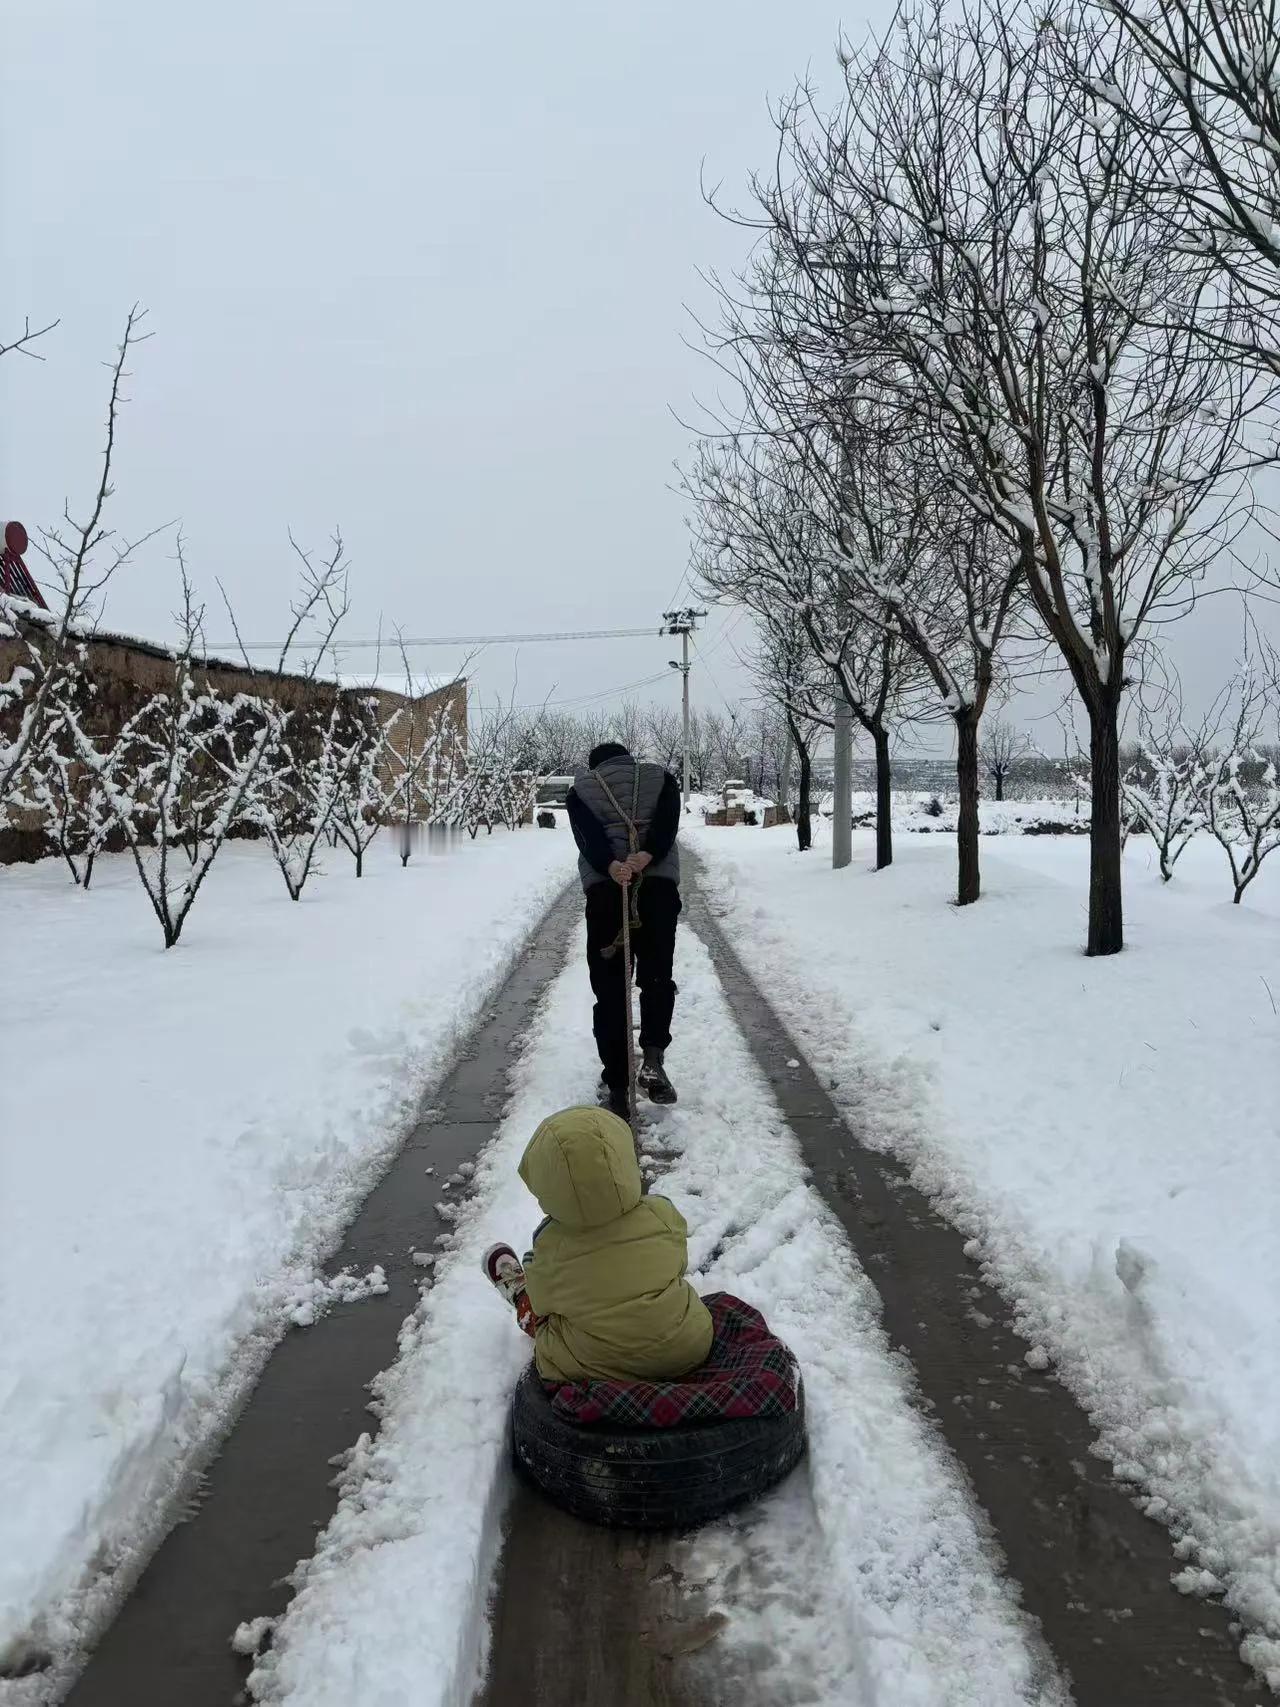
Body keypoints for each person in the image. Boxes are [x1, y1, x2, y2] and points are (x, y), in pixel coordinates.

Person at [482, 1105, 713, 1383]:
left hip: (596, 1367)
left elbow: (545, 1303)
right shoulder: (661, 1214)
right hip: (686, 1348)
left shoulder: (551, 1247)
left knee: (544, 1320)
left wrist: (536, 1270)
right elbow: (678, 1262)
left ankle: (519, 1293)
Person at [565, 740, 682, 1119]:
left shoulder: (581, 789)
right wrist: (647, 855)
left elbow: (587, 838)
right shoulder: (661, 777)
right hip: (658, 890)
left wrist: (612, 866)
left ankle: (617, 1084)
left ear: (595, 766)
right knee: (656, 978)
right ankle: (652, 1058)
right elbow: (668, 822)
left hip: (606, 893)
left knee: (611, 989)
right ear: (627, 759)